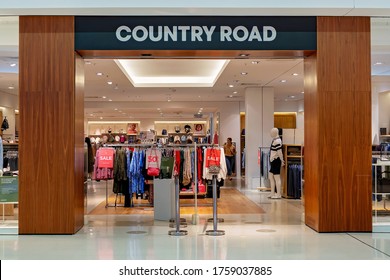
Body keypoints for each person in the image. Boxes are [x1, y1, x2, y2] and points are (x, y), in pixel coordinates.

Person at [268, 128, 284, 199]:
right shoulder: (275, 140)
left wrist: (282, 160)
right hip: (273, 160)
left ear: (275, 132)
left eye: (272, 132)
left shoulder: (277, 141)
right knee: (271, 176)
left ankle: (278, 194)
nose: (271, 133)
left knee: (277, 177)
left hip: (276, 160)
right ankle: (272, 193)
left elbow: (279, 152)